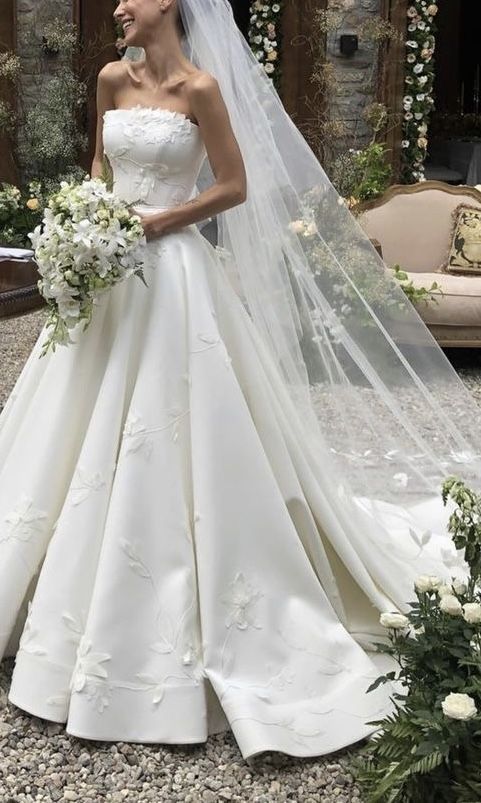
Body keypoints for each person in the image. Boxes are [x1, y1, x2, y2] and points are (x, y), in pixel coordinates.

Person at [0, 0, 479, 762]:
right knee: (64, 427)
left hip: (175, 276)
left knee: (172, 433)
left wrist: (151, 223)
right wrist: (82, 223)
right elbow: (98, 165)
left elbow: (232, 186)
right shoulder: (107, 79)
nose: (120, 5)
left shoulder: (201, 90)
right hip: (106, 277)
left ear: (172, 5)